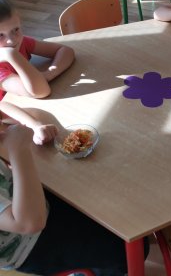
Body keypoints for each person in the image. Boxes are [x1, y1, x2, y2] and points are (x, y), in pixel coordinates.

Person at [0, 108, 149, 275]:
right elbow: (29, 223)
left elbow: (5, 109)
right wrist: (19, 150)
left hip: (32, 203)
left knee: (102, 196)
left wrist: (34, 125)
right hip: (30, 247)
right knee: (128, 249)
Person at [0, 0, 75, 100]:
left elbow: (65, 50)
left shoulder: (22, 42)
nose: (11, 40)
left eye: (16, 29)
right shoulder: (10, 52)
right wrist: (11, 54)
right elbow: (41, 91)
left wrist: (49, 74)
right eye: (0, 35)